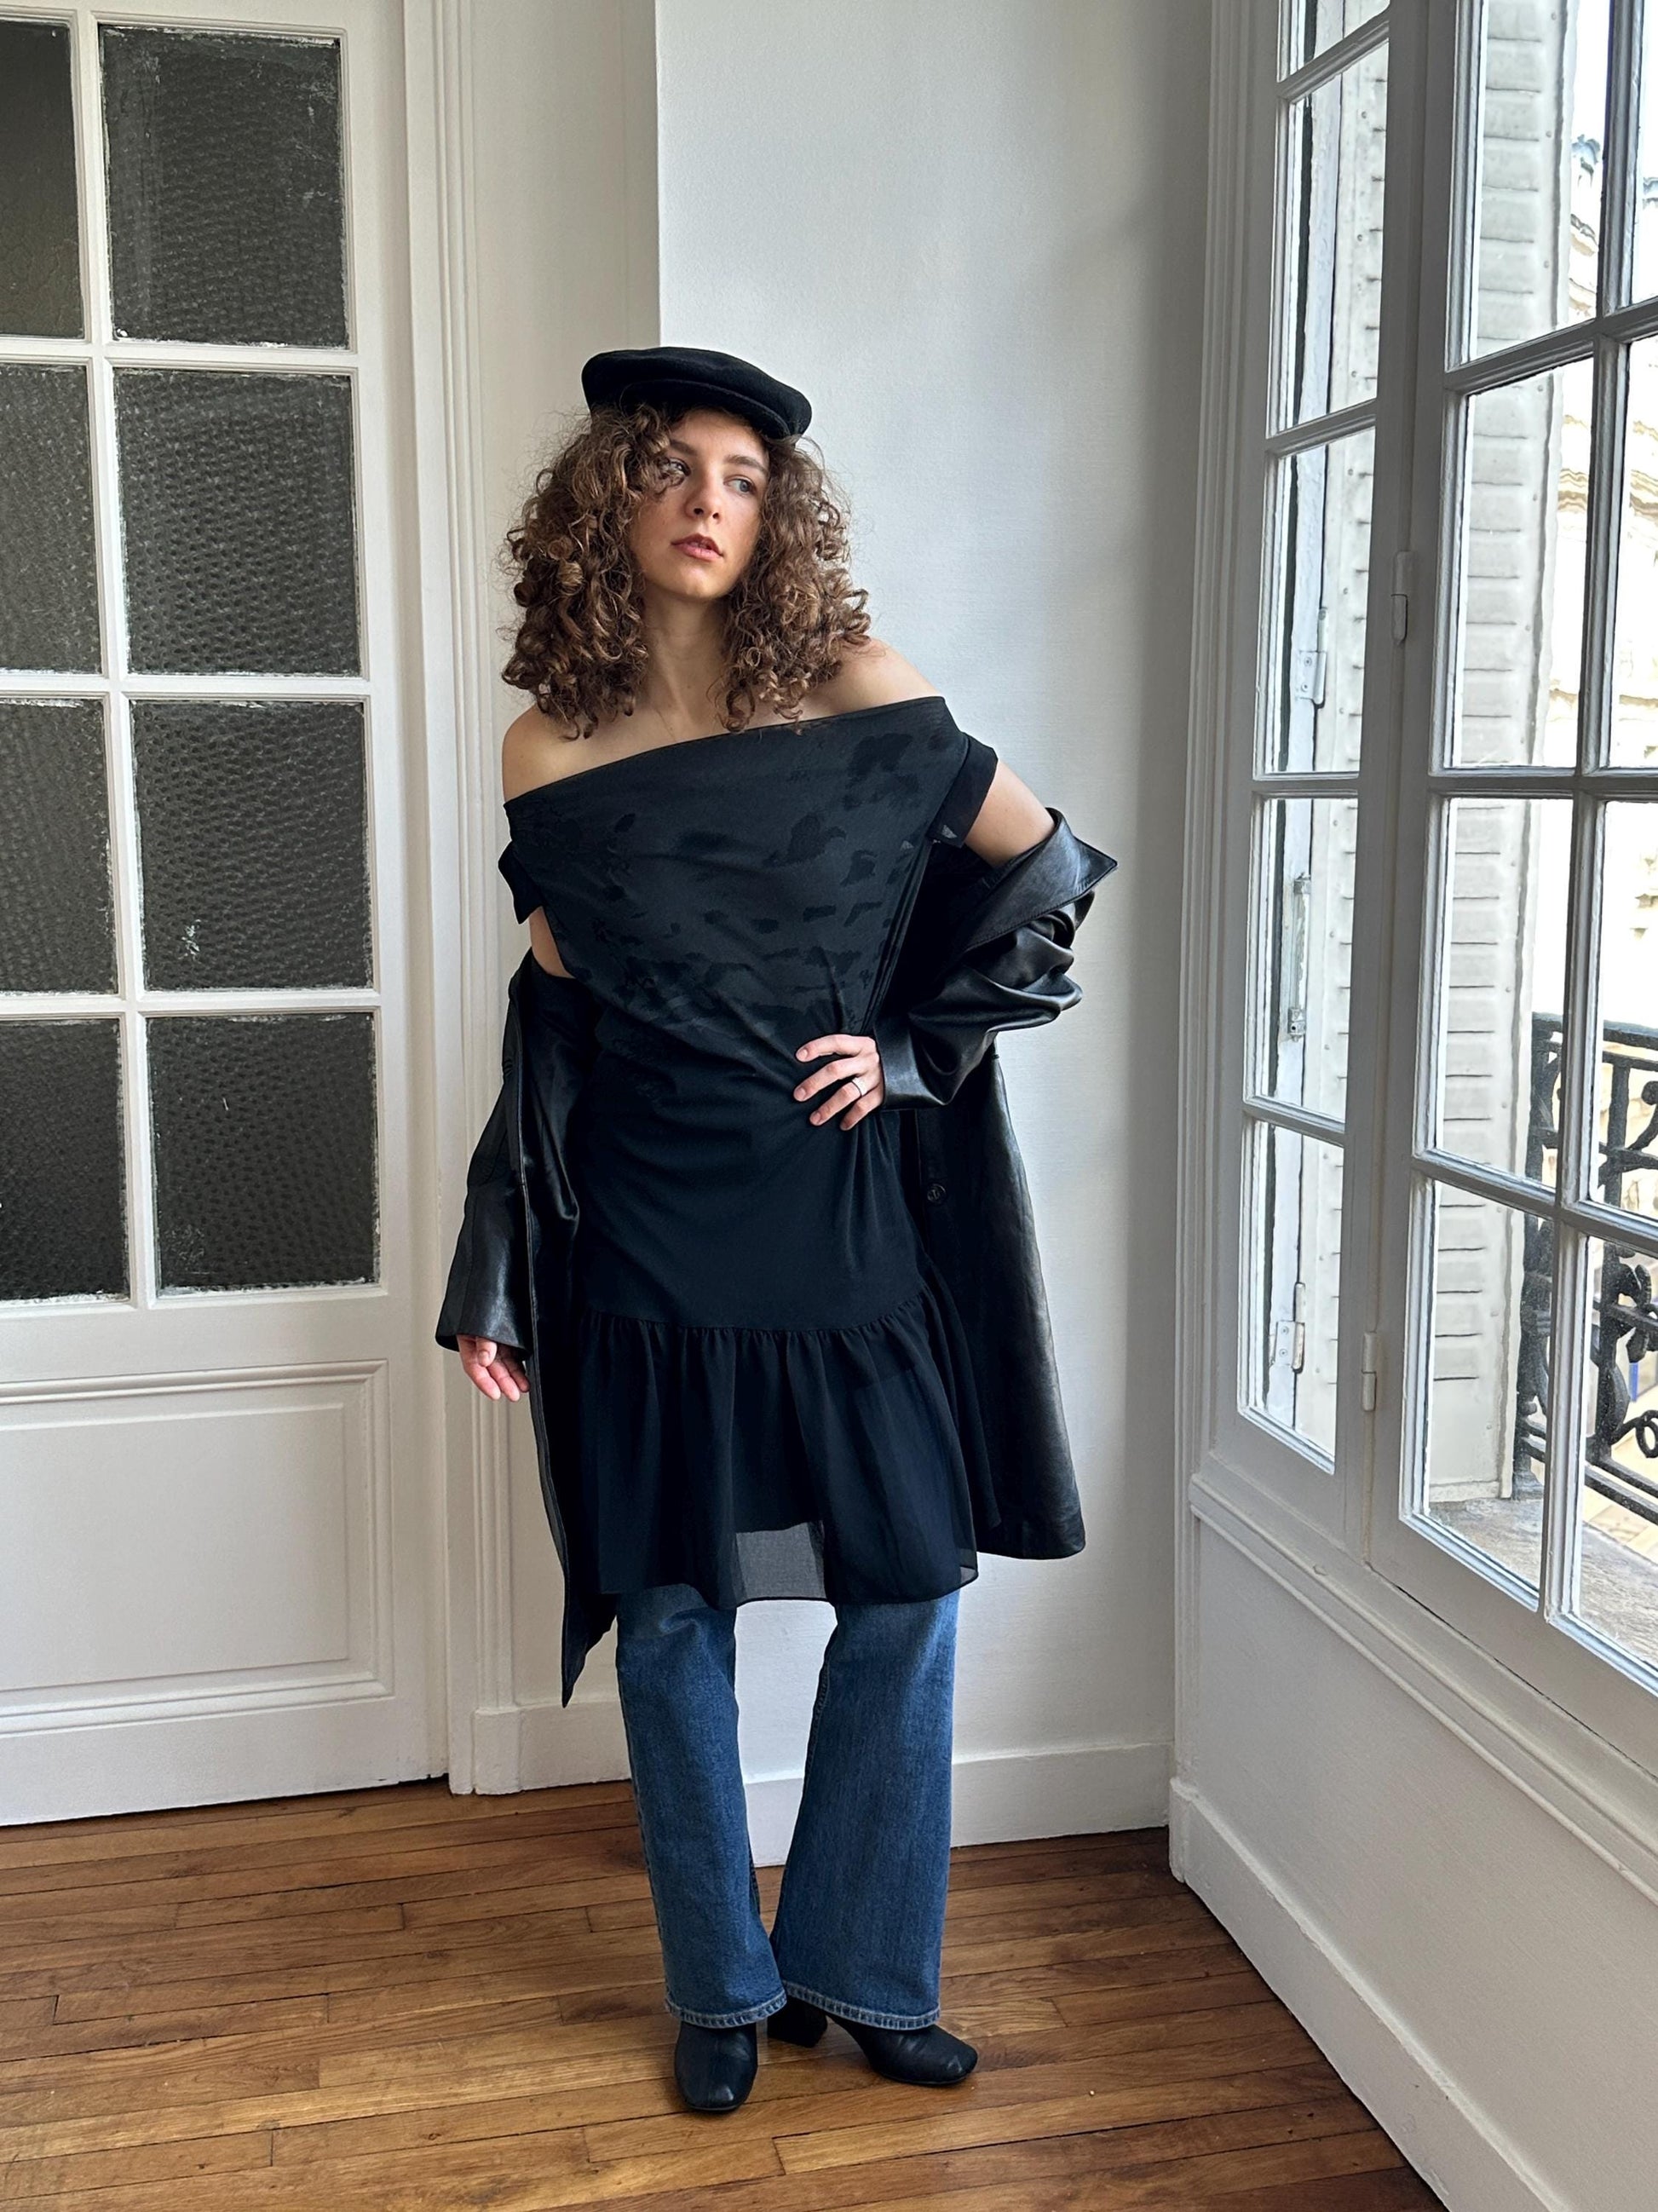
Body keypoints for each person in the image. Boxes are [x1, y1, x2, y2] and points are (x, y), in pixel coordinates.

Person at [439, 345, 1113, 2115]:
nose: (707, 503)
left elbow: (1044, 874)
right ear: (608, 502)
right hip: (648, 1229)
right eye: (670, 469)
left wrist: (905, 1051)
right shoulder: (548, 743)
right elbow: (555, 1017)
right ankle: (721, 1986)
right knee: (672, 1614)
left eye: (741, 477)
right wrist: (494, 1258)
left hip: (840, 1212)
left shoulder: (862, 691)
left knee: (906, 1582)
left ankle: (863, 1967)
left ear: (778, 511)